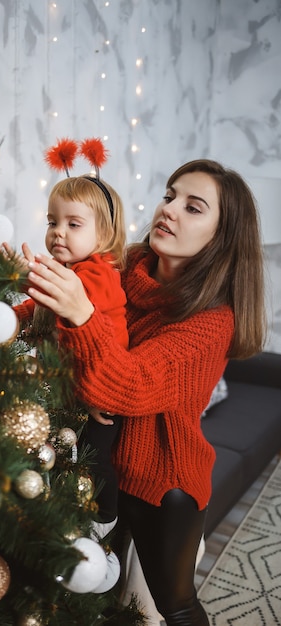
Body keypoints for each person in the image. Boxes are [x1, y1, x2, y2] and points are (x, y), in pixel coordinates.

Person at [21, 159, 267, 626]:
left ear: (221, 236)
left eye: (192, 207)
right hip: (100, 461)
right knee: (92, 590)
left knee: (170, 606)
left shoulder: (213, 321)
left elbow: (128, 386)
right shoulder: (127, 263)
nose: (169, 210)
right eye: (169, 196)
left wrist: (81, 315)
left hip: (162, 478)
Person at [10, 173, 129, 538]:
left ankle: (104, 518)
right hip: (65, 386)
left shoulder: (98, 274)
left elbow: (64, 302)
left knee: (95, 456)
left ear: (103, 236)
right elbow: (38, 305)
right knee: (59, 451)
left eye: (73, 224)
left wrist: (24, 274)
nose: (58, 232)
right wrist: (12, 318)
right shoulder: (65, 269)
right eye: (52, 221)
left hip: (102, 388)